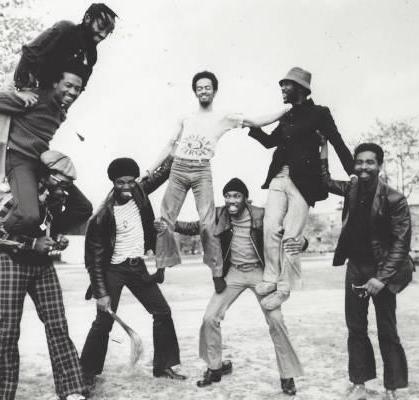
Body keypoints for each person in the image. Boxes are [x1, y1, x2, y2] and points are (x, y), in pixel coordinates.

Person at [155, 178, 308, 395]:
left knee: (276, 320)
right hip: (233, 273)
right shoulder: (218, 215)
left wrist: (303, 242)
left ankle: (287, 375)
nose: (231, 200)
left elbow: (287, 231)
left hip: (260, 273)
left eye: (236, 196)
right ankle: (215, 367)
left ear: (245, 198)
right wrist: (169, 224)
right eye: (227, 196)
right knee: (210, 318)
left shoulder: (261, 215)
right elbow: (194, 227)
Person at [141, 70, 293, 283]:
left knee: (207, 223)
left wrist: (285, 110)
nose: (203, 91)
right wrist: (149, 170)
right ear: (195, 92)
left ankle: (217, 272)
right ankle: (161, 269)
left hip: (202, 171)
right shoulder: (185, 117)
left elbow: (256, 122)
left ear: (214, 91)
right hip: (178, 169)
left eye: (207, 88)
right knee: (166, 219)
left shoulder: (224, 117)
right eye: (199, 88)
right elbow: (168, 146)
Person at [0, 3, 117, 218]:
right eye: (101, 26)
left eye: (108, 32)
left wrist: (64, 106)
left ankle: (16, 190)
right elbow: (30, 52)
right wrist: (21, 89)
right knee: (1, 137)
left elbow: (80, 85)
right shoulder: (65, 30)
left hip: (50, 95)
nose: (103, 34)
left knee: (29, 143)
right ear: (87, 19)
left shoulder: (91, 54)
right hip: (25, 84)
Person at [0, 150, 92, 400]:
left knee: (58, 325)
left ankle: (72, 390)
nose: (65, 190)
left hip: (41, 265)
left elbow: (58, 225)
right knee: (8, 329)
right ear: (46, 176)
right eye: (62, 183)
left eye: (68, 185)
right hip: (11, 262)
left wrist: (57, 240)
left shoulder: (52, 204)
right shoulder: (17, 196)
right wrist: (32, 244)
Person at [247, 66, 355, 309]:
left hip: (303, 183)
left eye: (286, 84)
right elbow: (270, 142)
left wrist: (352, 172)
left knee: (291, 235)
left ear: (300, 89)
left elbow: (337, 142)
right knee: (270, 227)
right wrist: (251, 126)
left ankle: (284, 288)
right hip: (278, 176)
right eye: (281, 85)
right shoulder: (287, 115)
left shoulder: (320, 113)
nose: (282, 89)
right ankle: (271, 278)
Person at [319, 135, 413, 400]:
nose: (363, 167)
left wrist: (382, 278)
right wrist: (323, 147)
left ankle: (393, 388)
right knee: (356, 329)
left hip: (383, 269)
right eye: (359, 162)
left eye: (370, 162)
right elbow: (324, 181)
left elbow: (401, 244)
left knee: (387, 330)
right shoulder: (351, 188)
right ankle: (359, 384)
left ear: (379, 166)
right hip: (356, 267)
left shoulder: (394, 198)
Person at [80, 157, 187, 383]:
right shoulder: (102, 215)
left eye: (130, 181)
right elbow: (94, 261)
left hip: (137, 267)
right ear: (113, 182)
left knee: (162, 312)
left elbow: (163, 173)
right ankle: (86, 373)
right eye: (120, 182)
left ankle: (163, 367)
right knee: (104, 322)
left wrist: (178, 152)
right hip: (113, 270)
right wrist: (101, 293)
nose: (127, 187)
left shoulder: (140, 192)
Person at [0, 63, 92, 239]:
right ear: (55, 83)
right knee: (29, 216)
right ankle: (1, 237)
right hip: (18, 159)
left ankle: (46, 234)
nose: (73, 92)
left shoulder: (62, 105)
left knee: (83, 208)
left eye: (77, 89)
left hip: (41, 161)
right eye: (68, 85)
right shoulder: (34, 98)